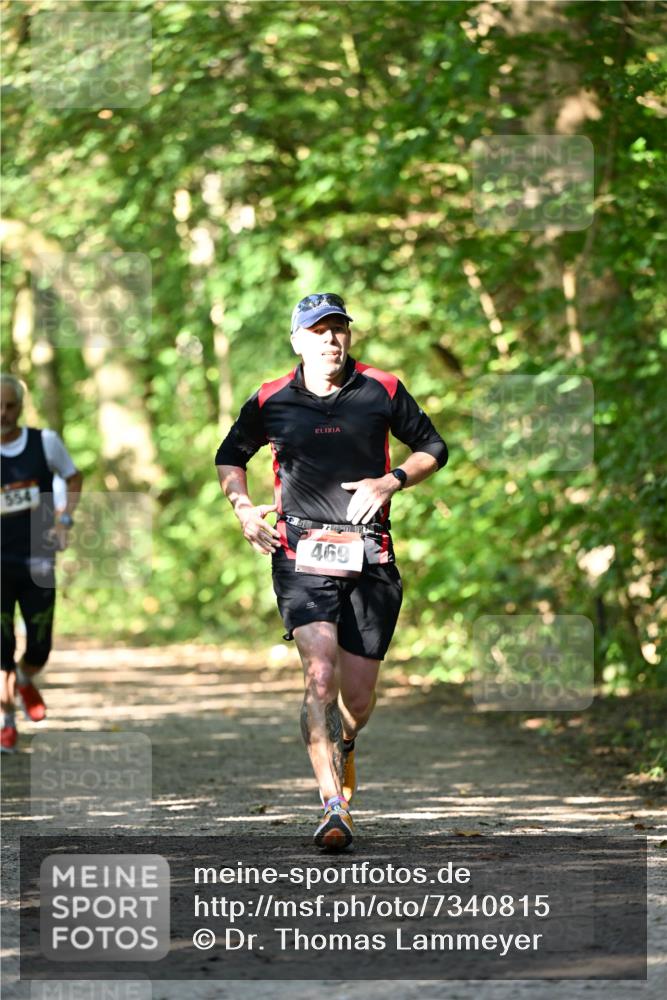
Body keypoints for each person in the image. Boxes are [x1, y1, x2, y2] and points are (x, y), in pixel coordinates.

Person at [215, 293, 447, 849]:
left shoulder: (382, 388)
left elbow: (433, 447)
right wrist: (243, 509)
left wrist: (390, 481)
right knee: (319, 672)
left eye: (338, 329)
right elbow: (231, 456)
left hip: (371, 554)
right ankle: (333, 808)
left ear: (350, 336)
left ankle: (344, 742)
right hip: (299, 553)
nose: (330, 340)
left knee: (358, 701)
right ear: (297, 340)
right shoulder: (271, 398)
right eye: (317, 331)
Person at [1, 374, 83, 753]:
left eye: (10, 406)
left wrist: (64, 517)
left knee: (39, 647)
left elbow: (73, 476)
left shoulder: (43, 442)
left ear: (20, 407)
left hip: (38, 558)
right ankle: (6, 721)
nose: (2, 413)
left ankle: (24, 677)